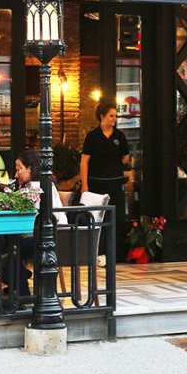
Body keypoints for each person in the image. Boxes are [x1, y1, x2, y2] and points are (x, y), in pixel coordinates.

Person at [9, 150, 67, 296]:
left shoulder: (35, 187)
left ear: (30, 168)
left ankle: (22, 292)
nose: (16, 175)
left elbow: (25, 218)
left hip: (49, 240)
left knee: (6, 250)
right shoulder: (41, 184)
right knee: (7, 247)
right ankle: (19, 282)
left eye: (19, 169)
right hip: (55, 237)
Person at [80, 102, 130, 259]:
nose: (114, 119)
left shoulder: (119, 136)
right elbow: (84, 161)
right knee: (97, 217)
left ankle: (116, 253)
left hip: (115, 182)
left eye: (116, 116)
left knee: (117, 217)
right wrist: (85, 185)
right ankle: (96, 251)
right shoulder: (92, 136)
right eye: (111, 115)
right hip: (96, 183)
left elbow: (126, 157)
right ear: (102, 117)